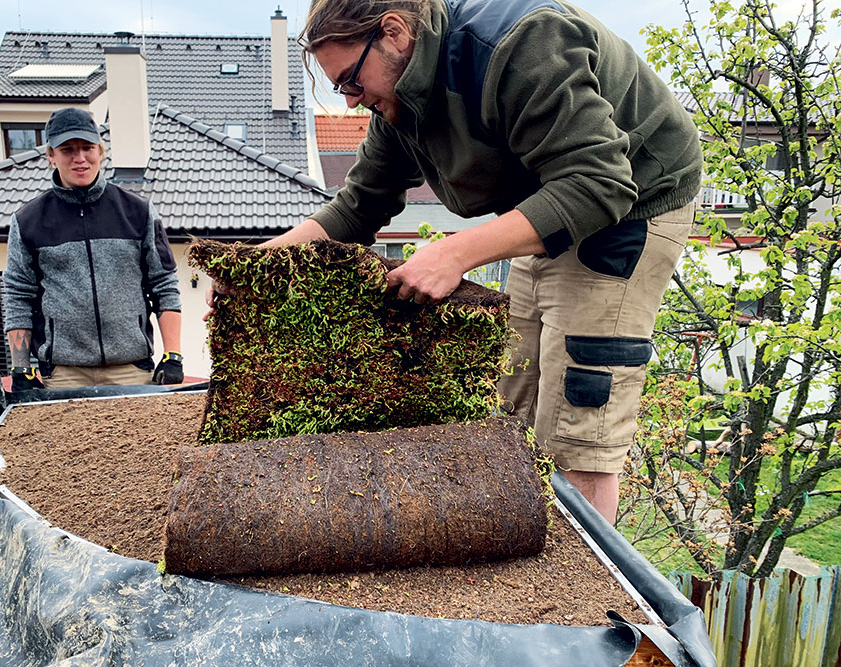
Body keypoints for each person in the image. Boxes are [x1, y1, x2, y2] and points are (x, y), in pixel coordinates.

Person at [208, 0, 702, 523]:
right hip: (549, 197)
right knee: (510, 394)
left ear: (394, 33)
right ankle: (516, 541)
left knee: (579, 428)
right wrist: (252, 267)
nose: (352, 102)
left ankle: (581, 594)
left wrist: (452, 254)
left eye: (352, 81)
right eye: (341, 90)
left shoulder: (523, 45)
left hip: (628, 205)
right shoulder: (398, 100)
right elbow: (358, 205)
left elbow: (599, 183)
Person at [3, 107, 185, 390]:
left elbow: (164, 284)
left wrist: (173, 354)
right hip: (63, 376)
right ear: (51, 156)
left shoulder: (138, 212)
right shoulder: (28, 221)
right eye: (67, 150)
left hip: (132, 370)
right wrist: (20, 368)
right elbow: (17, 295)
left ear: (101, 151)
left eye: (88, 148)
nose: (80, 158)